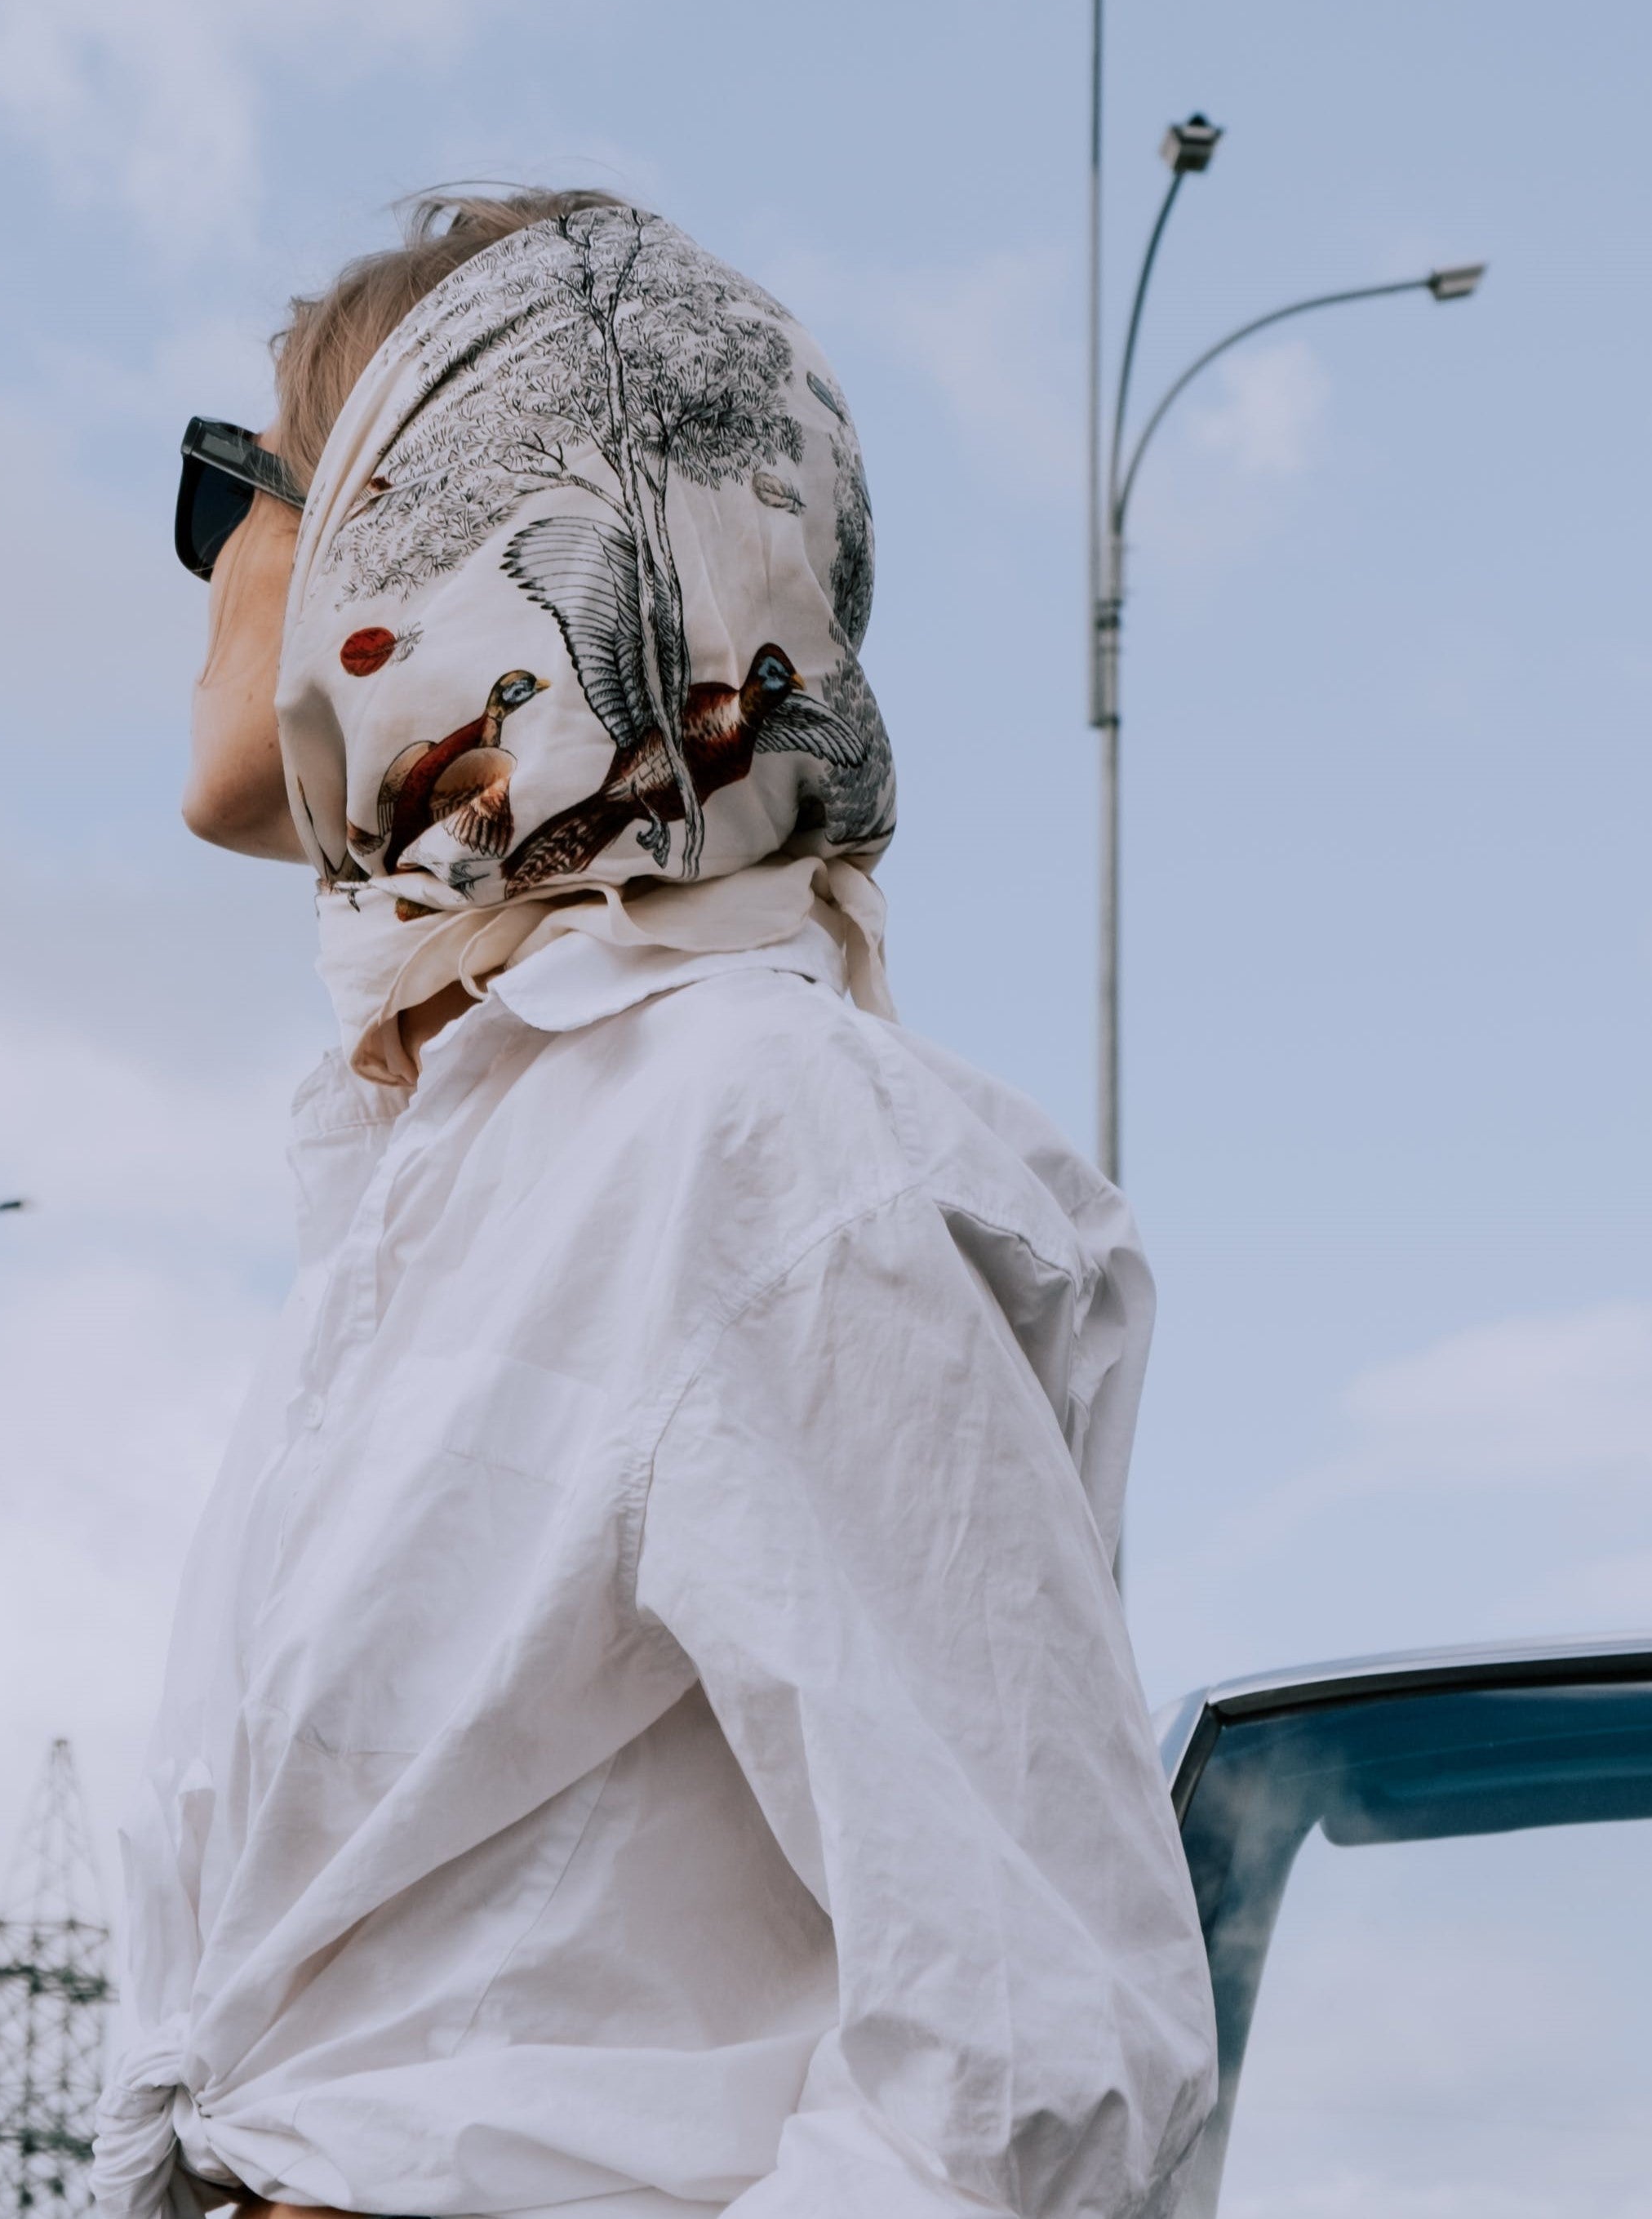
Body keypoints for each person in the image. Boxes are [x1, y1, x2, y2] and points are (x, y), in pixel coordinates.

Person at [104, 193, 1216, 2219]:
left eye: (230, 490)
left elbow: (1045, 2061)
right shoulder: (447, 1164)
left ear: (423, 523)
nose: (196, 571)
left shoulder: (754, 1135)